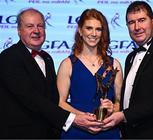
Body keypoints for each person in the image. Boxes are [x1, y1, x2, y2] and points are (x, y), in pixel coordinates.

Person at [0, 8, 102, 139]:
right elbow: (31, 98)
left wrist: (85, 114)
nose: (36, 31)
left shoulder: (47, 58)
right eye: (30, 26)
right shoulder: (9, 57)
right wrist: (73, 118)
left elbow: (54, 98)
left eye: (40, 26)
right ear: (19, 31)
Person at [102, 1, 153, 139]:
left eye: (142, 20)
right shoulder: (130, 57)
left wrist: (124, 115)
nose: (137, 27)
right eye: (131, 22)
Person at [57, 8, 123, 139]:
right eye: (89, 28)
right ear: (80, 31)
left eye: (98, 29)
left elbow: (119, 102)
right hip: (77, 131)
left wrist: (112, 110)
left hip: (107, 131)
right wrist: (81, 118)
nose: (94, 33)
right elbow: (60, 103)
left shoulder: (114, 64)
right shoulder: (67, 64)